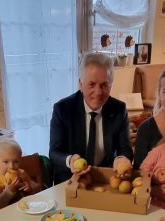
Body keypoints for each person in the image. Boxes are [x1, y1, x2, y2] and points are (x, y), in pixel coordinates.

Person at [49, 52, 133, 184]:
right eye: (92, 84)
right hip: (70, 180)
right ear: (80, 84)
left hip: (105, 180)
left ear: (111, 86)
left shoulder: (119, 109)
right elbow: (54, 152)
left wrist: (120, 159)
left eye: (104, 85)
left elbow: (126, 150)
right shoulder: (63, 109)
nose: (98, 92)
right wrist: (70, 160)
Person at [0, 139, 41, 209]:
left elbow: (38, 189)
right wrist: (8, 191)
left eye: (16, 162)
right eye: (6, 162)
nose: (11, 166)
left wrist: (30, 188)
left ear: (20, 160)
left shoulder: (21, 173)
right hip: (8, 212)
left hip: (27, 208)